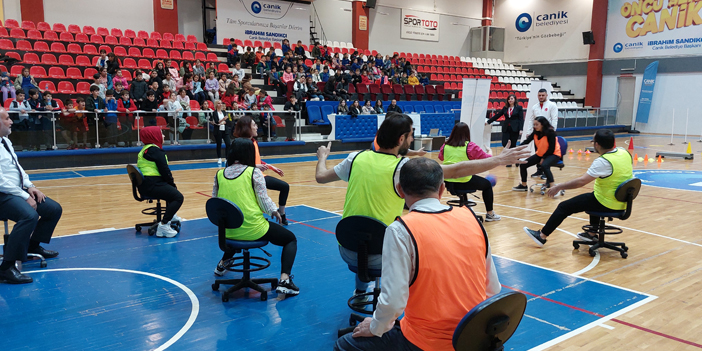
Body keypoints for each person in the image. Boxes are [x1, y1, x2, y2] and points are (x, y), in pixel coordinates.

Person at [315, 113, 527, 300]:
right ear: (401, 139)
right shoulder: (403, 168)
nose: (412, 139)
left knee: (364, 233)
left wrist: (323, 157)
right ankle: (402, 301)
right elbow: (457, 170)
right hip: (384, 255)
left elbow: (321, 177)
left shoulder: (355, 158)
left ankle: (361, 291)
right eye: (410, 136)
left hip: (347, 249)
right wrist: (498, 160)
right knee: (430, 249)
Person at [333, 158, 500, 351]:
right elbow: (493, 289)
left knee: (343, 345)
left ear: (400, 189)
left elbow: (393, 301)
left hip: (427, 342)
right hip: (474, 336)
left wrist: (375, 326)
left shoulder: (400, 230)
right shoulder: (472, 219)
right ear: (442, 189)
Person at [212, 137, 299, 295]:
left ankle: (222, 263)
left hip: (227, 232)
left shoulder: (219, 174)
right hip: (253, 229)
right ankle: (285, 281)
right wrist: (275, 211)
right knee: (290, 239)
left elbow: (216, 204)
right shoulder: (254, 172)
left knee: (238, 230)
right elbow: (264, 200)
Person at [523, 129, 633, 246]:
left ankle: (541, 236)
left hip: (607, 202)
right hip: (622, 202)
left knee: (564, 207)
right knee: (591, 197)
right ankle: (591, 234)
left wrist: (559, 186)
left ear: (597, 145)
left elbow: (581, 182)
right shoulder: (624, 152)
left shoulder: (603, 161)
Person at [0, 108, 62, 284]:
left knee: (52, 209)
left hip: (15, 191)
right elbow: (1, 181)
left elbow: (17, 169)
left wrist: (30, 187)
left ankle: (32, 246)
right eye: (7, 118)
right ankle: (6, 268)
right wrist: (23, 195)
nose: (11, 121)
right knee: (29, 215)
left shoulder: (5, 141)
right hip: (2, 194)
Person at [233, 116, 290, 225]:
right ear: (246, 128)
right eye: (253, 125)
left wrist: (269, 166)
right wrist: (255, 166)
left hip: (258, 175)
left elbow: (256, 160)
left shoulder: (254, 142)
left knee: (284, 186)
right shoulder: (240, 144)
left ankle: (282, 213)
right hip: (247, 177)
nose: (256, 127)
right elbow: (236, 163)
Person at [439, 122, 501, 221]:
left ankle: (465, 205)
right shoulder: (470, 146)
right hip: (464, 181)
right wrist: (490, 151)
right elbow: (487, 159)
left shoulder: (445, 146)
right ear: (467, 133)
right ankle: (490, 214)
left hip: (448, 182)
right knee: (487, 185)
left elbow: (441, 157)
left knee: (468, 178)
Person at [136, 126, 183, 238]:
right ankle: (164, 225)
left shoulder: (146, 149)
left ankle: (170, 215)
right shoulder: (155, 151)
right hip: (152, 185)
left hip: (146, 184)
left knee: (170, 191)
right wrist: (172, 184)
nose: (163, 136)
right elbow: (165, 171)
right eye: (161, 133)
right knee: (178, 197)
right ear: (154, 136)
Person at [513, 116, 561, 191]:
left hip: (553, 154)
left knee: (544, 165)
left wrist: (543, 158)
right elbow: (526, 142)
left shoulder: (550, 133)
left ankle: (553, 187)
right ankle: (524, 185)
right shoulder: (535, 133)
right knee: (523, 165)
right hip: (540, 154)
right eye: (534, 125)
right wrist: (515, 149)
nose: (535, 126)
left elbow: (551, 149)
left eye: (537, 124)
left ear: (542, 124)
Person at [526, 89, 559, 178]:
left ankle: (545, 171)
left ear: (546, 95)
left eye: (543, 95)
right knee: (538, 152)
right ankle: (539, 170)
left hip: (547, 133)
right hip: (537, 133)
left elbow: (554, 119)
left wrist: (552, 132)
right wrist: (529, 131)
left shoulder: (552, 105)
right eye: (539, 95)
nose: (541, 97)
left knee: (547, 152)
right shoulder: (534, 107)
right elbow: (531, 120)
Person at [486, 94, 524, 167]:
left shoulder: (519, 108)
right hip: (506, 128)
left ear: (515, 100)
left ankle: (515, 159)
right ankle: (512, 159)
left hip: (515, 128)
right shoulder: (505, 108)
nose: (510, 100)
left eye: (512, 99)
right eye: (509, 99)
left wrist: (521, 129)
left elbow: (521, 119)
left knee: (513, 145)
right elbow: (498, 115)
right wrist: (488, 121)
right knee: (504, 143)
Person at [209, 100, 231, 165]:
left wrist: (225, 121)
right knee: (219, 144)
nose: (220, 104)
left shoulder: (224, 112)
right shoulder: (214, 113)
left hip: (225, 129)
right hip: (218, 130)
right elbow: (216, 121)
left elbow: (227, 120)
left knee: (228, 143)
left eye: (221, 103)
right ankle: (219, 158)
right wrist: (222, 120)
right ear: (216, 105)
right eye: (219, 103)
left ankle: (227, 158)